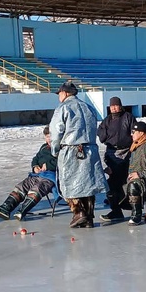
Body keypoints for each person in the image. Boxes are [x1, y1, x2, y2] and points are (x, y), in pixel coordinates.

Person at [49, 81, 108, 228]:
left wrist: (55, 149)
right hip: (90, 149)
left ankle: (78, 212)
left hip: (71, 149)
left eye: (59, 93)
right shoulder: (88, 107)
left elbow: (56, 132)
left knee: (68, 183)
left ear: (65, 93)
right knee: (88, 183)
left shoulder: (63, 108)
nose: (58, 96)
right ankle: (89, 217)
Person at [0, 126, 57, 221]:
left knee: (36, 189)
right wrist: (35, 167)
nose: (49, 139)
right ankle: (6, 208)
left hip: (50, 177)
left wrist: (49, 166)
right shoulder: (43, 147)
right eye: (47, 136)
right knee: (21, 186)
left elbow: (61, 163)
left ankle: (22, 210)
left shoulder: (60, 149)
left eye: (51, 136)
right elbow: (36, 159)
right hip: (37, 174)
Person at [98, 96, 135, 221]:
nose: (114, 108)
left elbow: (135, 134)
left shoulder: (128, 117)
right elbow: (101, 135)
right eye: (111, 106)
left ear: (120, 105)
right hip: (111, 153)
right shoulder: (107, 120)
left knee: (120, 180)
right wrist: (107, 136)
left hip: (126, 152)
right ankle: (117, 205)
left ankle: (122, 203)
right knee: (112, 181)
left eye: (116, 105)